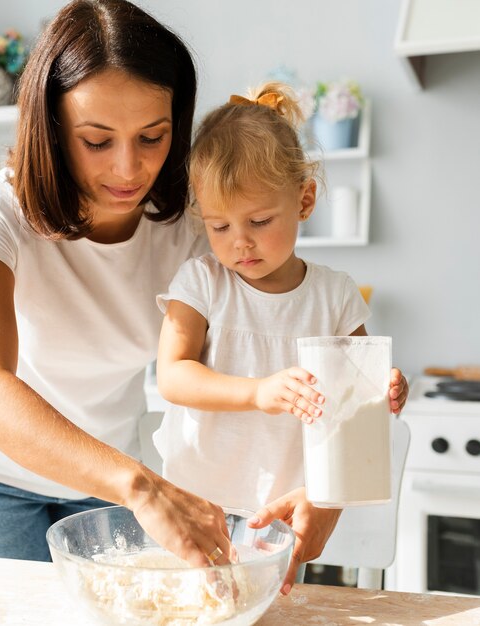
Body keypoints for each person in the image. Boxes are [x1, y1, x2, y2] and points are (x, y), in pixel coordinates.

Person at [0, 0, 237, 568]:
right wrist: (142, 486)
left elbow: (240, 358)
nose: (129, 169)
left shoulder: (192, 227)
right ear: (49, 129)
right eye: (97, 141)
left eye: (153, 137)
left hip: (107, 480)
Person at [154, 82, 409, 594]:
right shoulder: (201, 281)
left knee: (270, 611)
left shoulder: (334, 294)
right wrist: (257, 392)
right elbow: (173, 375)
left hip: (284, 509)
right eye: (219, 226)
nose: (239, 242)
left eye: (260, 220)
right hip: (195, 503)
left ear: (305, 199)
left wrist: (385, 388)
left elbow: (358, 390)